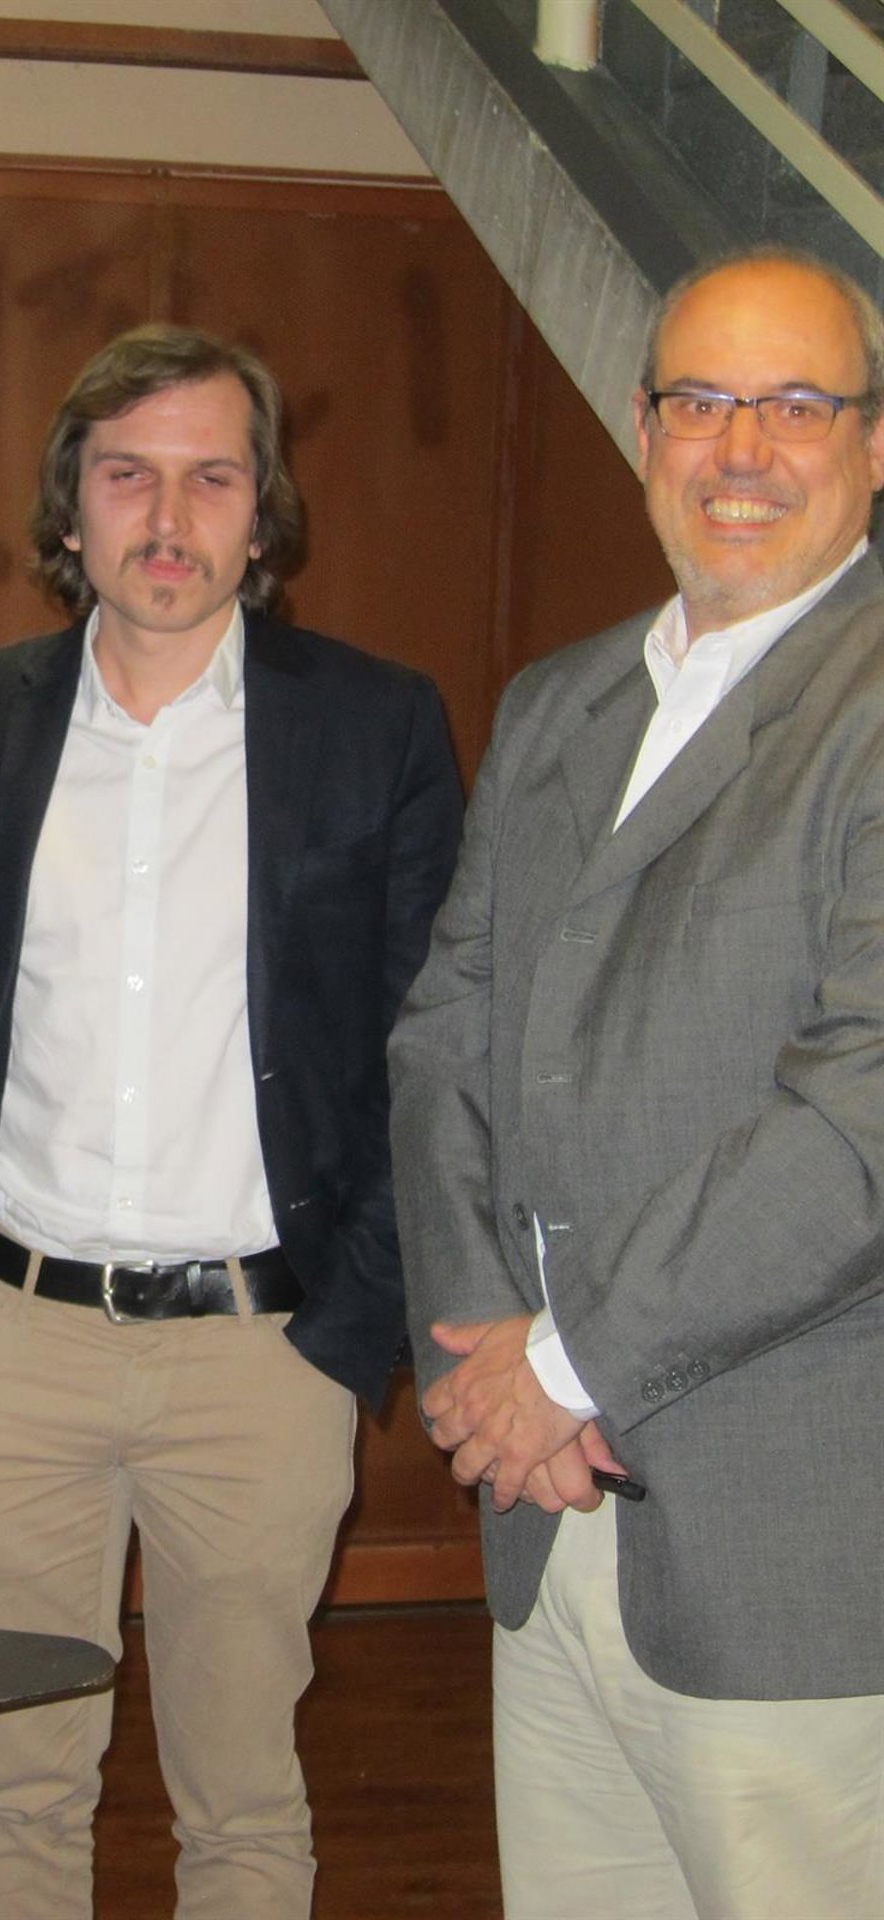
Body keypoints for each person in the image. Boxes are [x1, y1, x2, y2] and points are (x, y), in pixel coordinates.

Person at [0, 323, 463, 1918]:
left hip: (263, 1356)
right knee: (18, 1786)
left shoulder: (376, 727)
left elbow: (430, 1046)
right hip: (11, 1338)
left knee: (244, 1802)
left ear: (264, 517)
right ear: (72, 508)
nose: (171, 519)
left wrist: (346, 1331)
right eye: (129, 476)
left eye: (214, 479)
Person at [389, 247, 884, 1920]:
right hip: (549, 1519)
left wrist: (563, 1363)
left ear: (875, 441)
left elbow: (859, 1127)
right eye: (701, 402)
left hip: (792, 1561)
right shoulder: (560, 705)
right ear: (644, 425)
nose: (741, 449)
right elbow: (445, 1034)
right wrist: (485, 1354)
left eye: (796, 404)